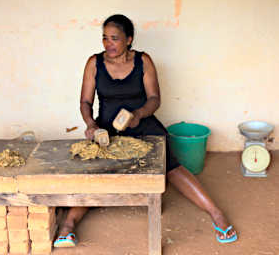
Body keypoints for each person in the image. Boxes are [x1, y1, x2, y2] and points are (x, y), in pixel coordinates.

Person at [54, 14, 237, 248]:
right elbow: (85, 102)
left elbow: (154, 99)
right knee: (95, 171)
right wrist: (91, 125)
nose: (108, 44)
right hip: (108, 130)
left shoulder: (143, 61)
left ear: (129, 39)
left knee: (170, 167)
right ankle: (68, 226)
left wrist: (138, 115)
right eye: (104, 38)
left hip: (144, 125)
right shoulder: (94, 63)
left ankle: (216, 214)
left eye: (114, 38)